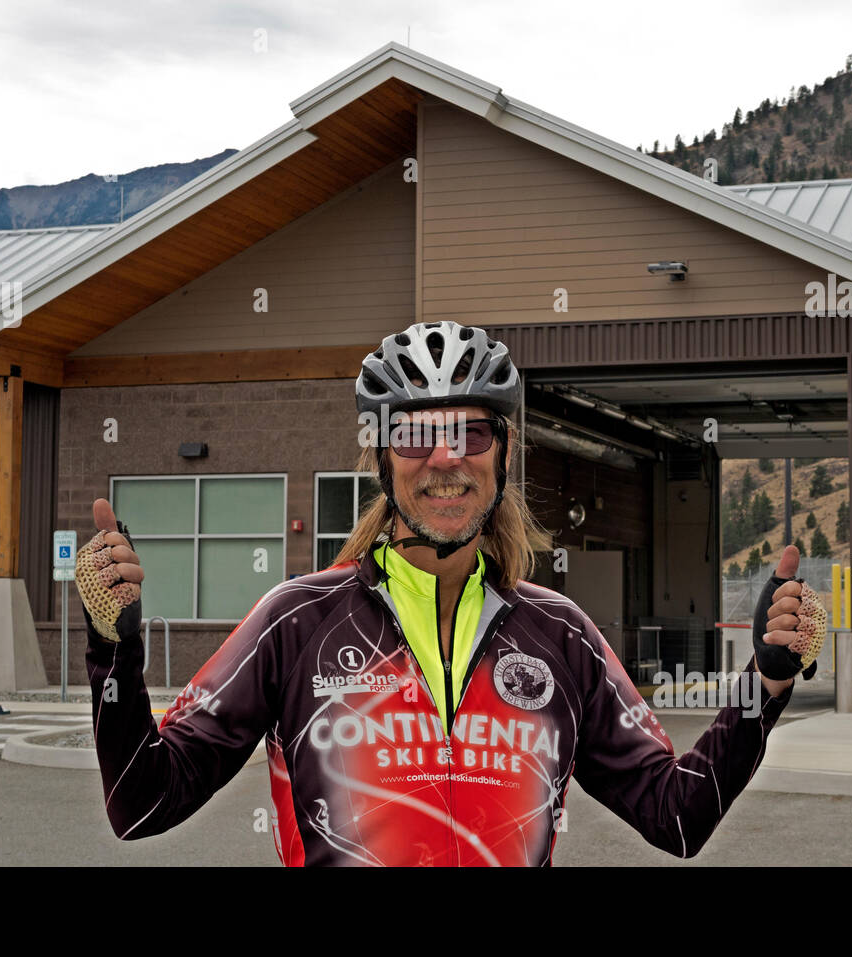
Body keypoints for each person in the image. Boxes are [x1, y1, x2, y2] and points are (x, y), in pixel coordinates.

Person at [79, 320, 813, 866]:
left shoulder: (561, 634)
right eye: (416, 435)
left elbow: (678, 815)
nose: (444, 460)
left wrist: (767, 683)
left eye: (470, 432)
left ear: (504, 450)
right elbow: (142, 802)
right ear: (380, 458)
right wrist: (114, 650)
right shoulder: (295, 623)